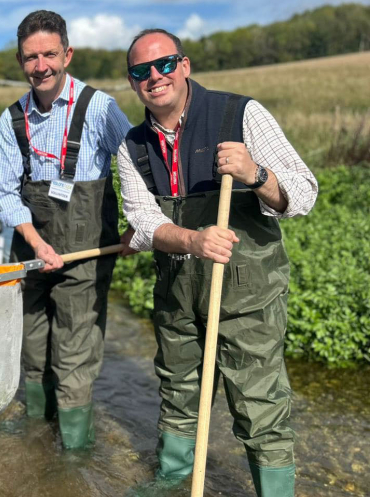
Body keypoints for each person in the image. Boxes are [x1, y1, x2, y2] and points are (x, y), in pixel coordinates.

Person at [116, 29, 318, 496]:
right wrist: (193, 239)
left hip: (248, 291)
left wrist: (256, 174)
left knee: (259, 402)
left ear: (184, 66)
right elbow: (144, 224)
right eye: (141, 71)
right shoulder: (132, 145)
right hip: (178, 292)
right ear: (132, 83)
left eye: (164, 64)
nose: (154, 77)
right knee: (178, 391)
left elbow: (303, 195)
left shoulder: (240, 114)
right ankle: (171, 479)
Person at [0, 9, 134, 449]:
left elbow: (135, 168)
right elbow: (9, 196)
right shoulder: (10, 120)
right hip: (32, 252)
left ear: (67, 54)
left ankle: (74, 454)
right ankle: (38, 436)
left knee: (73, 354)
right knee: (33, 347)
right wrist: (37, 244)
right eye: (31, 57)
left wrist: (139, 227)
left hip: (87, 254)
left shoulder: (100, 108)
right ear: (20, 61)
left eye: (49, 54)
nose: (41, 66)